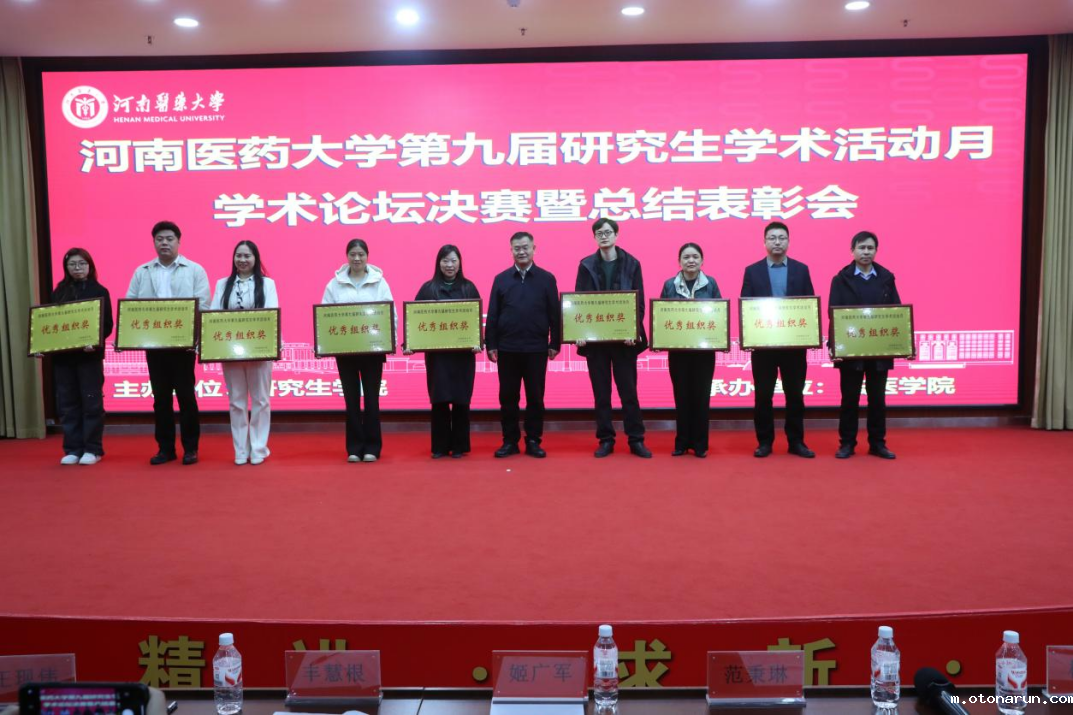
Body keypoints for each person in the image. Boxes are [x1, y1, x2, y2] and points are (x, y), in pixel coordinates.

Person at [126, 220, 210, 466]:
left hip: (183, 346)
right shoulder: (142, 271)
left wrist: (193, 338)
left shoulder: (194, 270)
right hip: (154, 346)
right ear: (154, 242)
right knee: (160, 399)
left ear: (178, 242)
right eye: (159, 239)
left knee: (186, 397)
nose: (164, 243)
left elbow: (203, 306)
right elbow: (130, 305)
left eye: (169, 239)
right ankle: (165, 449)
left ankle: (190, 449)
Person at [575, 218, 651, 458]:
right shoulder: (586, 265)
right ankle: (606, 439)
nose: (604, 236)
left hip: (623, 341)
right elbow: (579, 302)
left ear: (616, 235)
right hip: (596, 342)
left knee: (629, 392)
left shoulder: (632, 263)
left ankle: (636, 439)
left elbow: (638, 302)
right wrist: (580, 332)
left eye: (608, 232)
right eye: (599, 233)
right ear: (594, 237)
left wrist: (633, 330)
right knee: (601, 393)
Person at [741, 221, 816, 459]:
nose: (777, 242)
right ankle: (765, 442)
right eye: (772, 238)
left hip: (793, 346)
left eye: (781, 238)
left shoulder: (801, 270)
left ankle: (796, 441)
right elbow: (746, 306)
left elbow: (809, 305)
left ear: (788, 242)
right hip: (763, 346)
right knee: (763, 395)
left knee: (795, 395)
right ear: (764, 242)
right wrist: (749, 336)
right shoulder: (752, 271)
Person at [486, 231, 561, 459]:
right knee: (508, 398)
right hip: (507, 348)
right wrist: (491, 343)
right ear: (511, 251)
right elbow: (493, 314)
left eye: (525, 247)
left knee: (535, 398)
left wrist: (555, 342)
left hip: (536, 348)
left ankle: (533, 440)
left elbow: (554, 314)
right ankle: (510, 441)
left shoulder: (547, 278)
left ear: (534, 249)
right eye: (517, 248)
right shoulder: (501, 279)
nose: (521, 251)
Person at [829, 231, 901, 460]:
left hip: (879, 349)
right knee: (849, 400)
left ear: (876, 251)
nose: (866, 252)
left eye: (870, 248)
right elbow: (833, 314)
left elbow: (897, 312)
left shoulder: (886, 278)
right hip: (851, 350)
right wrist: (834, 346)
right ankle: (847, 443)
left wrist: (902, 344)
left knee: (877, 400)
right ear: (852, 251)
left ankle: (878, 444)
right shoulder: (841, 279)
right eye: (861, 248)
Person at [322, 238, 395, 463]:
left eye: (361, 254)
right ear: (347, 256)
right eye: (352, 254)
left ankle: (372, 447)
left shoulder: (379, 282)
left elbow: (390, 314)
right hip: (346, 353)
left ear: (367, 257)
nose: (356, 258)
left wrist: (390, 341)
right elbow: (325, 316)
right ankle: (354, 448)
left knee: (372, 400)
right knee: (351, 401)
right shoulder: (334, 284)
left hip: (373, 352)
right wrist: (325, 343)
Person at [211, 240, 279, 466]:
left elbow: (272, 315)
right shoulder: (222, 284)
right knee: (236, 402)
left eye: (247, 256)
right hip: (231, 352)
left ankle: (258, 448)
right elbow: (213, 316)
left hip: (259, 351)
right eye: (238, 255)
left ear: (255, 259)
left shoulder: (267, 284)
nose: (242, 260)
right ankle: (240, 450)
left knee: (261, 400)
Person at [410, 244, 481, 458]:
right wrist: (411, 342)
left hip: (462, 356)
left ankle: (459, 446)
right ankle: (440, 446)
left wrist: (478, 341)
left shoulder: (469, 288)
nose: (449, 265)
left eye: (453, 260)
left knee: (461, 400)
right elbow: (415, 320)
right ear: (438, 263)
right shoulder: (428, 289)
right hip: (438, 357)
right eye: (445, 260)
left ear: (460, 263)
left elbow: (476, 320)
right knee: (439, 400)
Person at [51, 248, 114, 465]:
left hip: (89, 357)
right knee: (68, 405)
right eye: (72, 264)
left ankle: (93, 449)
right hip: (64, 358)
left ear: (90, 266)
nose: (77, 268)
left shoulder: (100, 291)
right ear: (66, 268)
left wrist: (94, 341)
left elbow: (107, 325)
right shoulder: (58, 292)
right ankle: (73, 449)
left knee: (91, 404)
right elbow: (49, 324)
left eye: (82, 264)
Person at [658, 242, 721, 458]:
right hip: (679, 352)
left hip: (704, 352)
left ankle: (700, 444)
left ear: (702, 260)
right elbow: (662, 316)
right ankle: (682, 442)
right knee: (681, 396)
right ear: (679, 261)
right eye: (686, 257)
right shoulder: (670, 285)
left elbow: (719, 315)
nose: (691, 260)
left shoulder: (711, 284)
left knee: (701, 397)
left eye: (695, 256)